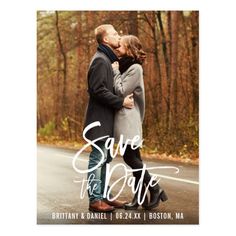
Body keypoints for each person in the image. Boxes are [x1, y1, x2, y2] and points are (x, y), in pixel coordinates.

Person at [112, 35, 168, 210]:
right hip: (126, 117)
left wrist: (114, 72)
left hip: (129, 118)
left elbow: (121, 91)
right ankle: (139, 198)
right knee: (135, 158)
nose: (117, 47)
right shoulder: (126, 66)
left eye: (120, 45)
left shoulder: (134, 68)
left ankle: (156, 188)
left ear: (129, 48)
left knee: (130, 157)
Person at [84, 25, 134, 212]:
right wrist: (121, 102)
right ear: (105, 40)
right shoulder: (100, 60)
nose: (118, 36)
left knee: (104, 159)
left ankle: (105, 196)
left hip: (106, 120)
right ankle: (95, 200)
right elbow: (97, 91)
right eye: (114, 34)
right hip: (98, 120)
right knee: (97, 159)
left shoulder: (106, 59)